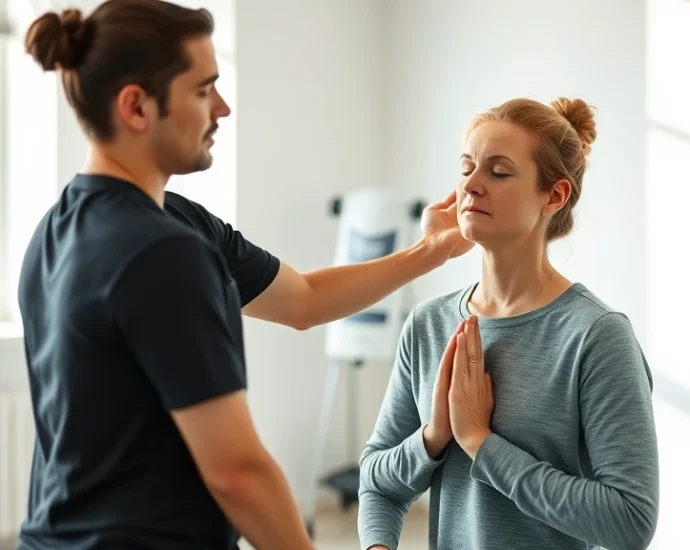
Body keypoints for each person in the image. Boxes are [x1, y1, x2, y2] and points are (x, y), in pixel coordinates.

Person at [16, 1, 473, 549]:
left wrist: (429, 250)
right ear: (137, 107)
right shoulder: (160, 253)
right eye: (204, 89)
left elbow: (302, 299)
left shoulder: (64, 227)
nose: (225, 108)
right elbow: (237, 473)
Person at [358, 97, 660, 550]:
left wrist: (481, 443)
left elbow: (630, 520)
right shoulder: (428, 324)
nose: (472, 186)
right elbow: (377, 482)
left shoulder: (596, 336)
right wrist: (433, 437)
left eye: (498, 172)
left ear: (554, 196)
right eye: (466, 168)